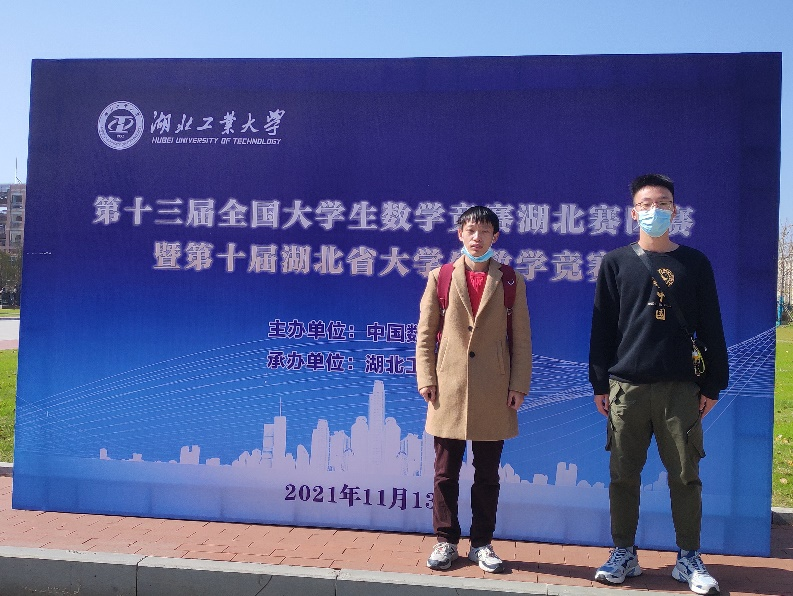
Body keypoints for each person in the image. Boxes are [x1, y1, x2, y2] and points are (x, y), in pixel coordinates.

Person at [589, 174, 729, 595]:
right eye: (647, 204)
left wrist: (713, 384)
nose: (655, 210)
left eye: (663, 203)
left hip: (680, 389)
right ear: (634, 213)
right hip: (626, 387)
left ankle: (688, 558)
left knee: (685, 476)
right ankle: (624, 553)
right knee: (623, 475)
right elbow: (602, 328)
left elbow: (712, 326)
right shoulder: (616, 262)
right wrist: (599, 382)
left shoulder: (695, 263)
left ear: (675, 210)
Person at [415, 205, 532, 573]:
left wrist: (518, 385)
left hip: (494, 388)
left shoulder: (510, 280)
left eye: (484, 231)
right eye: (470, 230)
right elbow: (425, 334)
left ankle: (481, 543)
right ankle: (446, 541)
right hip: (448, 387)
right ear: (460, 234)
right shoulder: (441, 277)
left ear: (495, 236)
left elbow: (521, 338)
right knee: (445, 472)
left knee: (487, 475)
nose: (477, 237)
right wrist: (426, 378)